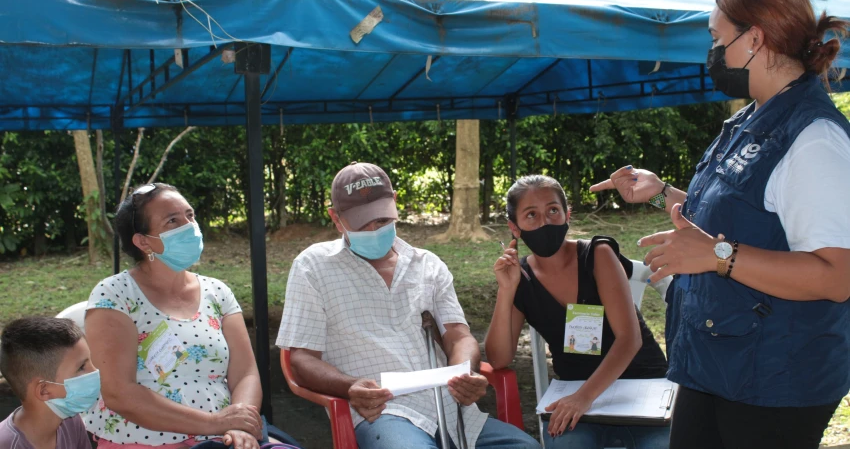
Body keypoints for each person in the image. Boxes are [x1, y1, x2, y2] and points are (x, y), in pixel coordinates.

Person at [589, 0, 850, 447]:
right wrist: (660, 192)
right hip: (718, 362)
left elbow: (835, 276)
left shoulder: (814, 140)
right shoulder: (752, 120)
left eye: (716, 38)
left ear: (754, 40)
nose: (714, 53)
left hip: (776, 381)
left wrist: (720, 256)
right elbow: (733, 217)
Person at [277, 162, 540, 449]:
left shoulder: (427, 265)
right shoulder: (313, 267)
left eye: (380, 219)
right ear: (335, 219)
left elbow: (458, 335)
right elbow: (301, 359)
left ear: (395, 204)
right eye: (361, 222)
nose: (373, 229)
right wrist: (349, 386)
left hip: (451, 409)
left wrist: (464, 371)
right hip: (384, 413)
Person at [84, 183, 298, 449]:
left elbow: (245, 374)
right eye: (172, 220)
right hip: (145, 440)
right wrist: (213, 423)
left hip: (229, 437)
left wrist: (237, 423)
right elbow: (120, 393)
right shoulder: (115, 295)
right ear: (143, 242)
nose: (189, 226)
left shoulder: (217, 292)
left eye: (190, 215)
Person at [485, 175, 669, 449]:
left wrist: (584, 397)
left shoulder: (598, 254)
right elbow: (498, 358)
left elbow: (630, 339)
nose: (545, 222)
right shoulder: (520, 278)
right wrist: (506, 290)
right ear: (515, 227)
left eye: (553, 211)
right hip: (574, 396)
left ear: (567, 214)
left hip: (641, 388)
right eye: (531, 215)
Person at [0, 317, 97, 449]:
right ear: (44, 390)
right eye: (81, 367)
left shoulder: (70, 420)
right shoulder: (9, 445)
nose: (95, 371)